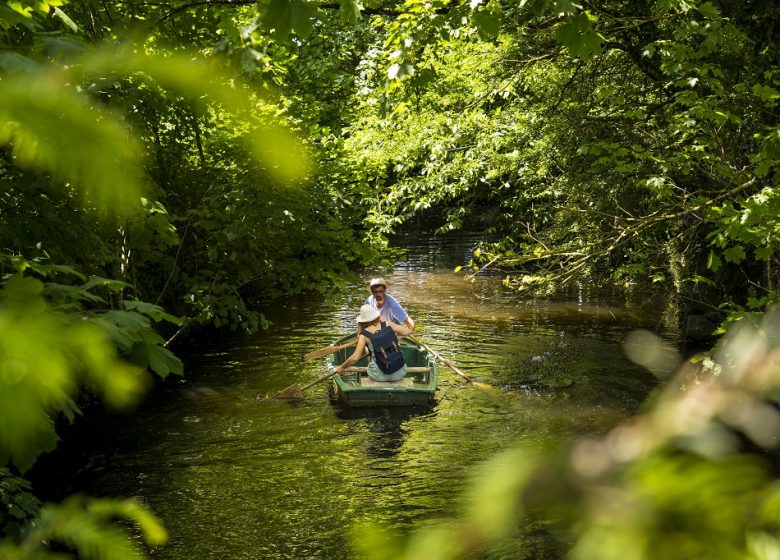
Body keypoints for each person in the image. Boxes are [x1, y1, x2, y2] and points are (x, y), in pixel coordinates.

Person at [335, 305, 411, 382]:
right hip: (400, 372)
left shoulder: (364, 336)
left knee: (368, 350)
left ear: (362, 321)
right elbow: (407, 332)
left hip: (378, 376)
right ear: (376, 316)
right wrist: (392, 339)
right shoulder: (389, 325)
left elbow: (355, 358)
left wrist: (341, 367)